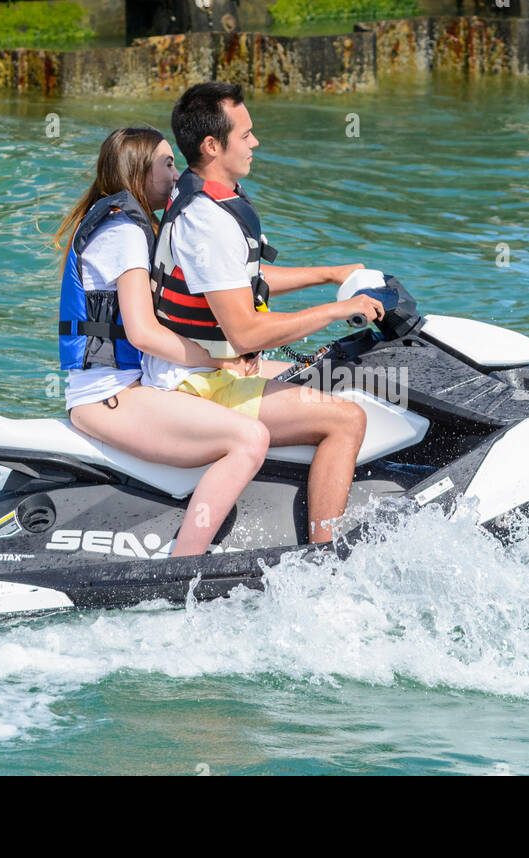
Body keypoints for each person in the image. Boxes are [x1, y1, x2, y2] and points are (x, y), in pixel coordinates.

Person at [143, 82, 386, 545]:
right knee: (346, 418)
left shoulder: (206, 197)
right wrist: (338, 310)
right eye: (246, 134)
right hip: (196, 385)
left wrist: (329, 274)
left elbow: (239, 285)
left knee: (332, 374)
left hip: (212, 371)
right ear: (213, 146)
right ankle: (324, 556)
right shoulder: (208, 221)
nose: (255, 143)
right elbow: (245, 329)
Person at [54, 126, 268, 557]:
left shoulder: (128, 222)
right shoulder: (124, 232)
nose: (176, 175)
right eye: (166, 164)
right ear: (138, 171)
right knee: (249, 439)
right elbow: (143, 333)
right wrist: (216, 361)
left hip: (130, 389)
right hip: (109, 398)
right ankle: (182, 565)